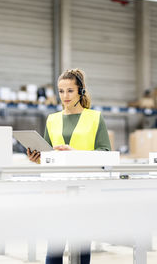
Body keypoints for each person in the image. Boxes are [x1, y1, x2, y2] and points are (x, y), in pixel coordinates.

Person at [27, 68, 111, 264]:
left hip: (85, 190)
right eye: (61, 91)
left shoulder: (95, 118)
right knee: (54, 249)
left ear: (81, 91)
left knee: (81, 251)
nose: (64, 96)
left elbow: (106, 153)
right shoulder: (52, 119)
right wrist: (38, 158)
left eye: (70, 90)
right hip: (56, 190)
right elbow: (49, 154)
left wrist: (76, 155)